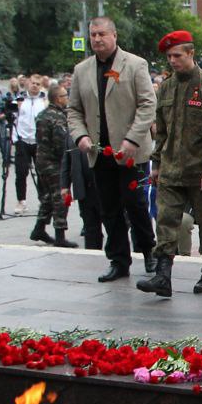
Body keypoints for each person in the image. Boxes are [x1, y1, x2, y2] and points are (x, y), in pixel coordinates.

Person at [138, 30, 202, 298]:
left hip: (200, 171)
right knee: (166, 221)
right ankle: (163, 276)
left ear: (190, 54)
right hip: (170, 170)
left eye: (177, 55)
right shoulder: (166, 87)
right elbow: (161, 132)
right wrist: (156, 164)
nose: (172, 61)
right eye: (168, 57)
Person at [68, 17, 157, 282]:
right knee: (108, 208)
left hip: (130, 153)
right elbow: (73, 110)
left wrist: (132, 138)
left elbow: (147, 105)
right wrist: (80, 136)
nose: (97, 39)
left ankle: (148, 251)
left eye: (102, 34)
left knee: (136, 204)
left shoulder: (135, 64)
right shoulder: (82, 70)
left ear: (114, 35)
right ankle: (119, 260)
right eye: (93, 34)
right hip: (99, 151)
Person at [29, 83, 77, 249]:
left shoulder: (43, 115)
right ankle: (60, 236)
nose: (67, 99)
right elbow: (60, 144)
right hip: (53, 164)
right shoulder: (57, 117)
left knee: (48, 198)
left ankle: (39, 229)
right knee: (59, 199)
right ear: (58, 99)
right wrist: (69, 163)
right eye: (65, 96)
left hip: (41, 162)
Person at [10, 74, 46, 215]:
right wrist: (15, 139)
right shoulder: (19, 99)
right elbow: (13, 118)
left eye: (38, 83)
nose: (35, 86)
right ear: (27, 84)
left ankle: (43, 200)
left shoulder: (44, 100)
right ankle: (21, 201)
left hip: (39, 141)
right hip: (23, 139)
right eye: (33, 83)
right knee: (21, 172)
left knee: (41, 172)